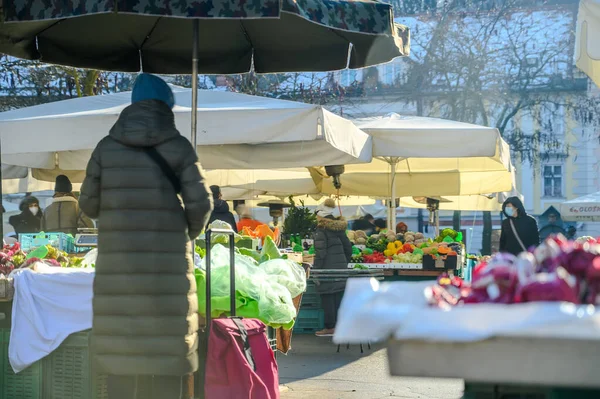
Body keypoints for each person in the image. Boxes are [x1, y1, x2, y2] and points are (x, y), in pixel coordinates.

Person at [79, 73, 212, 399]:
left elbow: (87, 204)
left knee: (123, 365)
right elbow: (203, 204)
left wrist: (118, 220)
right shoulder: (179, 146)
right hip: (166, 274)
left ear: (133, 104)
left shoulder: (106, 148)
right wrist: (184, 235)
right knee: (166, 369)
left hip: (119, 271)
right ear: (167, 105)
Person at [312, 199, 353, 337]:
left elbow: (320, 252)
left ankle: (330, 327)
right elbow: (348, 247)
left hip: (326, 269)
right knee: (337, 296)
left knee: (327, 296)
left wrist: (316, 270)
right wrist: (343, 263)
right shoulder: (339, 228)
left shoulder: (321, 229)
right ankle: (338, 326)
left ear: (320, 215)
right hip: (340, 268)